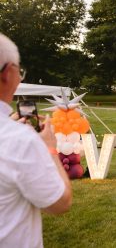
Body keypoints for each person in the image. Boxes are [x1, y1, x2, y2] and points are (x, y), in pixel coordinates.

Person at [0, 33, 72, 247]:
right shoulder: (20, 140)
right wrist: (51, 149)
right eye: (19, 71)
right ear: (7, 73)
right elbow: (60, 203)